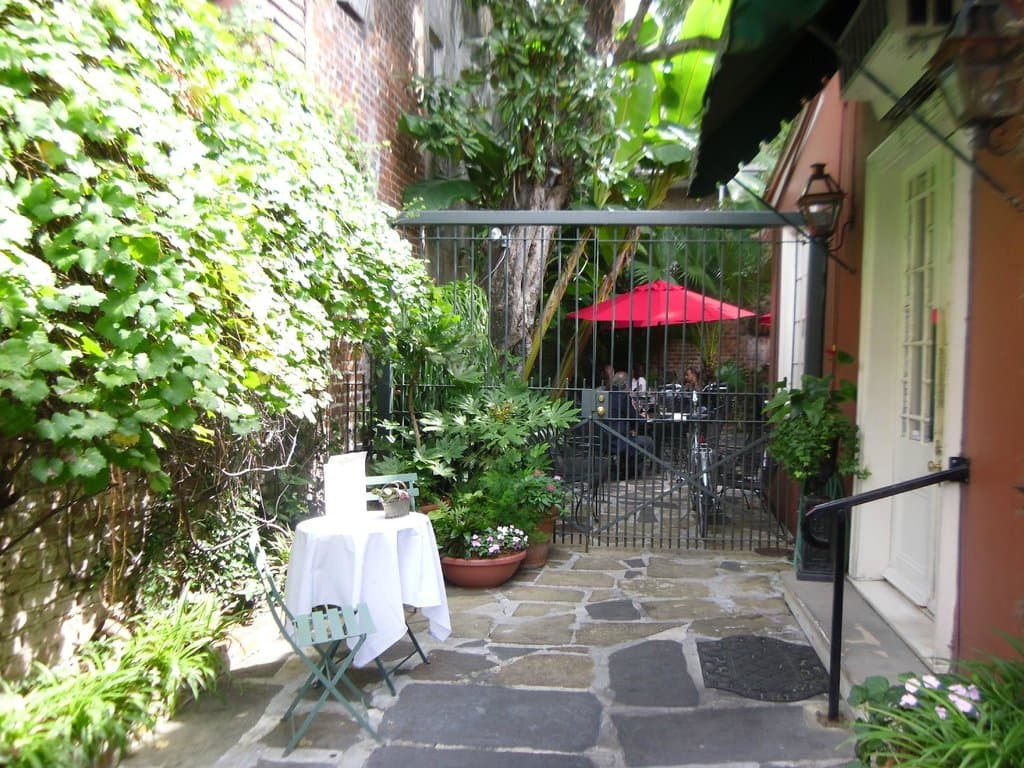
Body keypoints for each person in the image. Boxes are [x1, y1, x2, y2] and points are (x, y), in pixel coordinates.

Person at [607, 371, 655, 478]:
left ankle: (624, 467)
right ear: (625, 385)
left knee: (635, 437)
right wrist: (645, 418)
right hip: (619, 440)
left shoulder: (607, 395)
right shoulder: (623, 397)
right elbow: (634, 418)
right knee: (648, 442)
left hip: (606, 438)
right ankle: (632, 471)